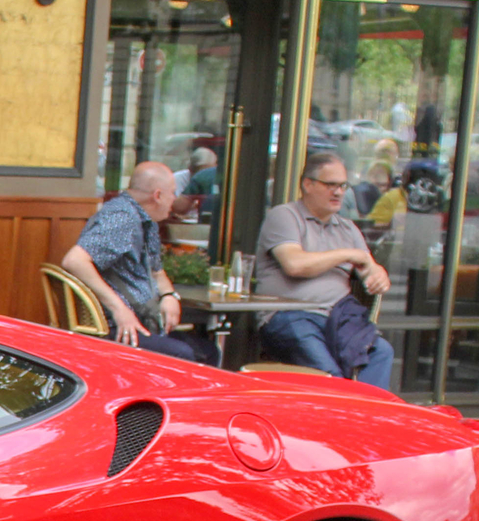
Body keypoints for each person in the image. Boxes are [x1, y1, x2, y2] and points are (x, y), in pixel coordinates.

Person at [254, 150, 395, 391]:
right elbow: (295, 265)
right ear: (307, 184)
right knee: (330, 378)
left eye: (343, 185)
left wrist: (379, 277)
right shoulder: (285, 215)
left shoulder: (348, 228)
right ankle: (344, 419)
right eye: (330, 185)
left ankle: (366, 420)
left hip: (337, 320)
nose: (339, 192)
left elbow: (371, 271)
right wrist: (348, 254)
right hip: (289, 315)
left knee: (381, 352)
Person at [60, 161, 221, 367]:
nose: (174, 199)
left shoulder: (146, 220)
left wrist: (169, 294)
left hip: (145, 322)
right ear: (158, 195)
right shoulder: (122, 218)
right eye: (172, 193)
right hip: (116, 328)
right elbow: (74, 260)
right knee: (185, 356)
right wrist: (120, 310)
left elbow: (157, 271)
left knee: (207, 351)